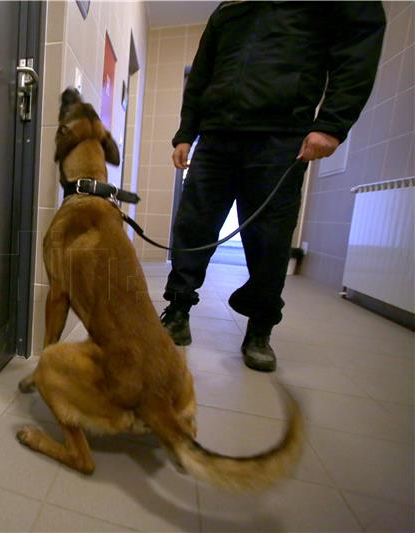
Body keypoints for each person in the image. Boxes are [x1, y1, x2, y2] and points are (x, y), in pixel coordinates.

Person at [160, 1, 386, 372]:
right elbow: (201, 75)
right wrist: (186, 132)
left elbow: (358, 47)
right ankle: (178, 311)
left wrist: (332, 122)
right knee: (193, 226)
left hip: (280, 136)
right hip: (216, 136)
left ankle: (260, 328)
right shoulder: (228, 7)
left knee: (269, 238)